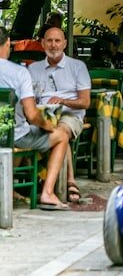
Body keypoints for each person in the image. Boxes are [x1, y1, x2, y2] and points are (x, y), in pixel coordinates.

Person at [0, 25, 72, 210]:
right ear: (8, 43)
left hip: (10, 136)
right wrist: (47, 125)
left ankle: (8, 190)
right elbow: (32, 115)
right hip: (11, 135)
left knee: (16, 136)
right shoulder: (19, 73)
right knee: (61, 136)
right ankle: (48, 192)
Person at [28, 26, 91, 205]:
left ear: (64, 43)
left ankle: (69, 180)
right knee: (28, 129)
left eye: (57, 41)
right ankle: (41, 181)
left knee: (61, 130)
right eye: (49, 40)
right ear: (42, 43)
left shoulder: (77, 66)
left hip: (70, 115)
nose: (53, 45)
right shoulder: (33, 68)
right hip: (42, 115)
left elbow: (85, 102)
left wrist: (63, 101)